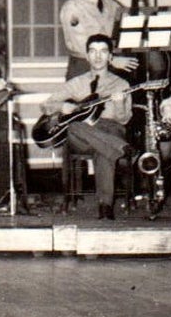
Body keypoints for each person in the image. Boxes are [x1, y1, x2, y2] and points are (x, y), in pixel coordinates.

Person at [42, 35, 134, 219]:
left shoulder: (122, 84)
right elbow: (46, 105)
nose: (98, 56)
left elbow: (123, 120)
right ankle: (120, 148)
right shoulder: (77, 83)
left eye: (103, 51)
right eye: (93, 51)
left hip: (110, 129)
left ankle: (104, 206)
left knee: (104, 150)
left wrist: (118, 104)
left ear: (110, 56)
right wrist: (62, 106)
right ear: (87, 56)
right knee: (74, 126)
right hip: (82, 134)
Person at [58, 0, 137, 79]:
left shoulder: (111, 4)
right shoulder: (73, 6)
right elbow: (82, 45)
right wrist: (112, 59)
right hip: (83, 70)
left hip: (109, 71)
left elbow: (134, 23)